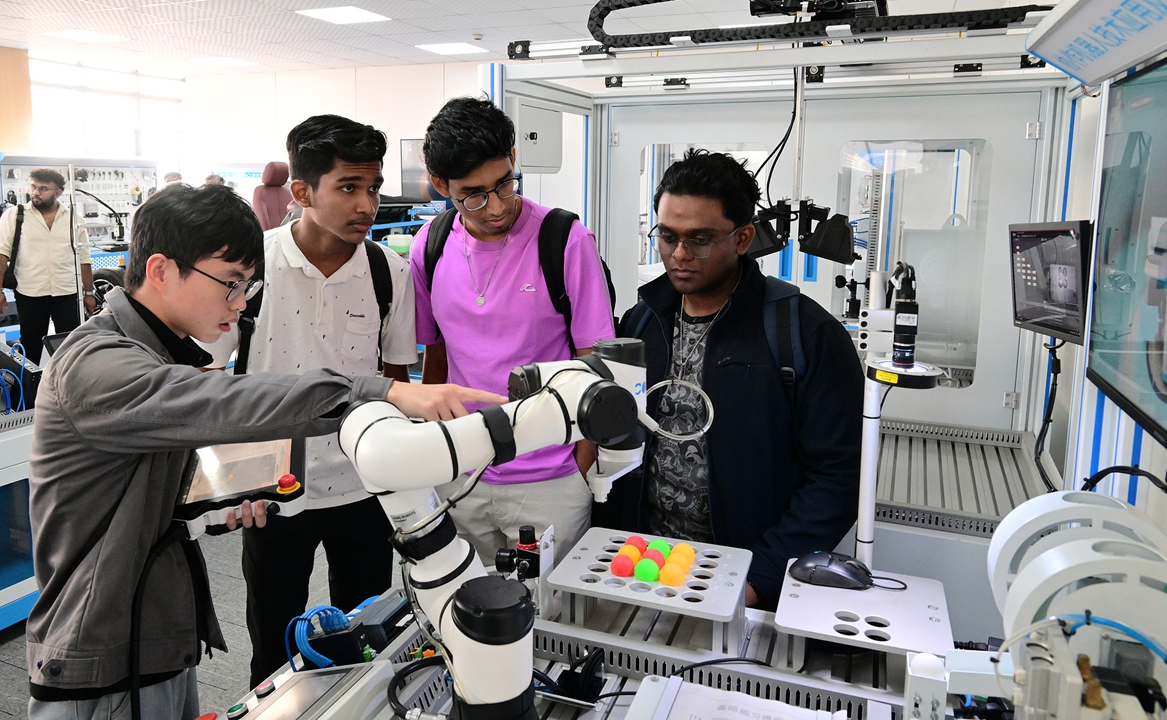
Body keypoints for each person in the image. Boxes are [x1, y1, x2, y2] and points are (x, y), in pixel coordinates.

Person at [24, 183, 503, 720]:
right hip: (103, 660)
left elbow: (140, 479)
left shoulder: (153, 354)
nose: (238, 305)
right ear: (160, 271)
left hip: (156, 641)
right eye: (230, 284)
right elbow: (220, 400)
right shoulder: (97, 363)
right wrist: (381, 389)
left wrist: (209, 497)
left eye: (247, 288)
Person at [203, 115, 418, 687]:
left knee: (367, 638)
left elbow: (395, 377)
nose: (366, 204)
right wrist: (227, 479)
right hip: (274, 489)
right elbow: (208, 378)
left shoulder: (387, 271)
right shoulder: (251, 267)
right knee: (273, 648)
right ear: (302, 192)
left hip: (363, 486)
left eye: (372, 188)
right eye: (348, 187)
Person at [596, 149, 863, 610]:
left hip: (744, 578)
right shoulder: (642, 323)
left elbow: (838, 478)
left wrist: (760, 578)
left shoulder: (804, 334)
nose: (679, 255)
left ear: (742, 238)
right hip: (642, 567)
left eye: (700, 239)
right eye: (667, 236)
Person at [410, 97, 614, 565]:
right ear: (441, 186)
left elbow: (594, 361)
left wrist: (581, 466)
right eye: (474, 194)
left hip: (551, 477)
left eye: (504, 183)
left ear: (514, 159)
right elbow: (435, 357)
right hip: (462, 472)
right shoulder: (432, 244)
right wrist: (434, 451)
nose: (496, 206)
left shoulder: (564, 240)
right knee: (469, 617)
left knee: (552, 623)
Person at [0, 168, 95, 365]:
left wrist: (88, 292)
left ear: (58, 192)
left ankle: (67, 389)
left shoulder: (74, 219)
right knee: (30, 346)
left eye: (43, 188)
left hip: (67, 293)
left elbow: (84, 258)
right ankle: (30, 393)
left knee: (70, 346)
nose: (35, 192)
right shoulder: (14, 216)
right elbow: (0, 253)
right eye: (33, 187)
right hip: (30, 293)